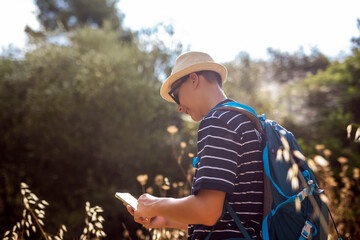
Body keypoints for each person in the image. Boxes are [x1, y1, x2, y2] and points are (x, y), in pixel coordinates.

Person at [125, 51, 264, 239]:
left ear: (193, 79)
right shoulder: (247, 121)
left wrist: (154, 204)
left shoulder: (217, 121)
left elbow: (208, 211)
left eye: (176, 95)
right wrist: (165, 219)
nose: (179, 107)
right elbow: (230, 217)